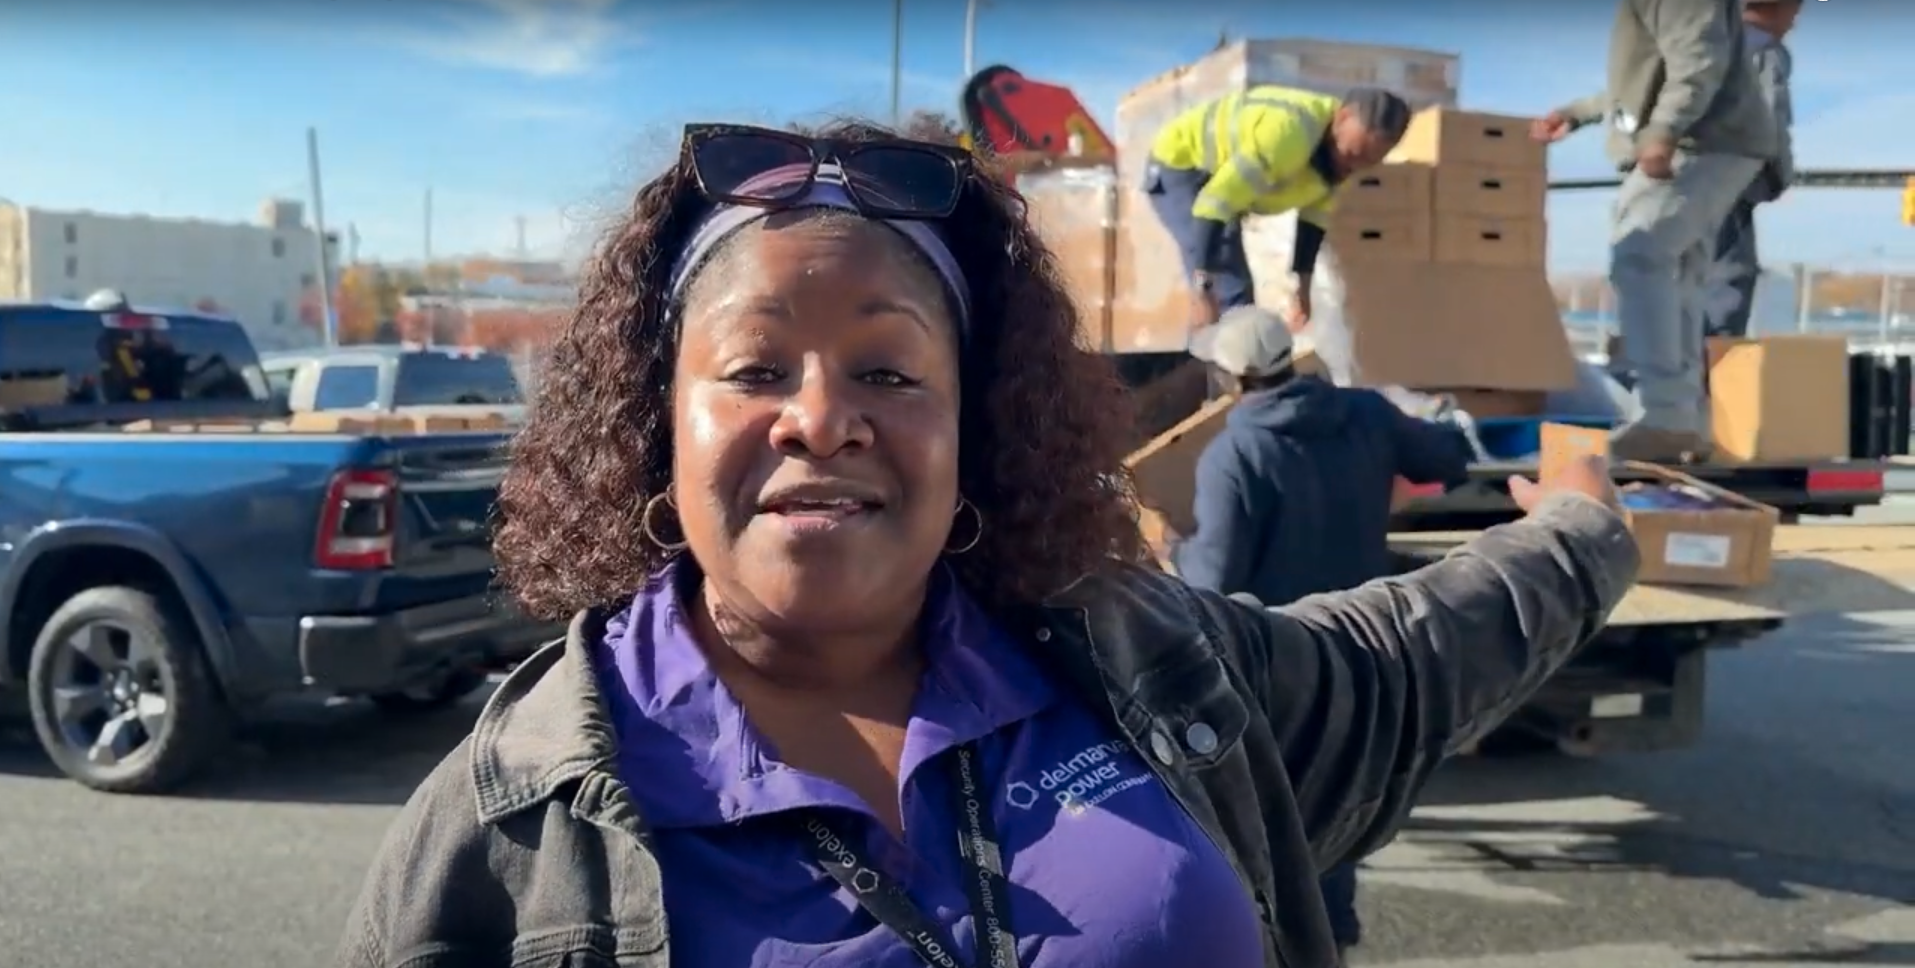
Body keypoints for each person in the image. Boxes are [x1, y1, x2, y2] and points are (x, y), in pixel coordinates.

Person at [336, 119, 1639, 968]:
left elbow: (1410, 653)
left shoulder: (1142, 665)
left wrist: (1592, 529)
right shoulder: (513, 819)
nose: (820, 419)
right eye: (752, 367)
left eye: (889, 372)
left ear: (973, 428)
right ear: (652, 426)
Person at [1170, 306, 1475, 962]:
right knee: (1351, 790)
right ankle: (1331, 938)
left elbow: (1214, 577)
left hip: (1284, 658)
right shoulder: (1364, 412)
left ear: (1229, 378)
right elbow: (1447, 459)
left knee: (1297, 809)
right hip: (1369, 639)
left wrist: (1170, 547)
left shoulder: (1235, 453)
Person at [1531, 0, 1776, 463]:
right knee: (1679, 275)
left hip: (1697, 141)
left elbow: (1698, 59)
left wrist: (1662, 130)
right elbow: (1651, 76)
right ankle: (1684, 421)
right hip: (1720, 141)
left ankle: (1666, 417)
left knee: (1641, 256)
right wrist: (1581, 111)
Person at [1143, 86, 1412, 339]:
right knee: (1230, 292)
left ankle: (1231, 373)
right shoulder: (1286, 136)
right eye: (1353, 154)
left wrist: (1302, 290)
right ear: (1341, 118)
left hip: (1222, 185)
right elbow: (1213, 204)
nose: (1353, 167)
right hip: (1182, 165)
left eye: (1368, 162)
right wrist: (1202, 287)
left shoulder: (1341, 163)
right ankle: (1231, 382)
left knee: (1235, 296)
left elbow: (1312, 222)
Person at [1708, 0, 1801, 338]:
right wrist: (1776, 178)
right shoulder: (1764, 52)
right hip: (1730, 184)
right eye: (1795, 11)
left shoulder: (1702, 43)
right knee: (1727, 282)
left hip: (1682, 183)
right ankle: (1714, 376)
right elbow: (1770, 120)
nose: (1794, 23)